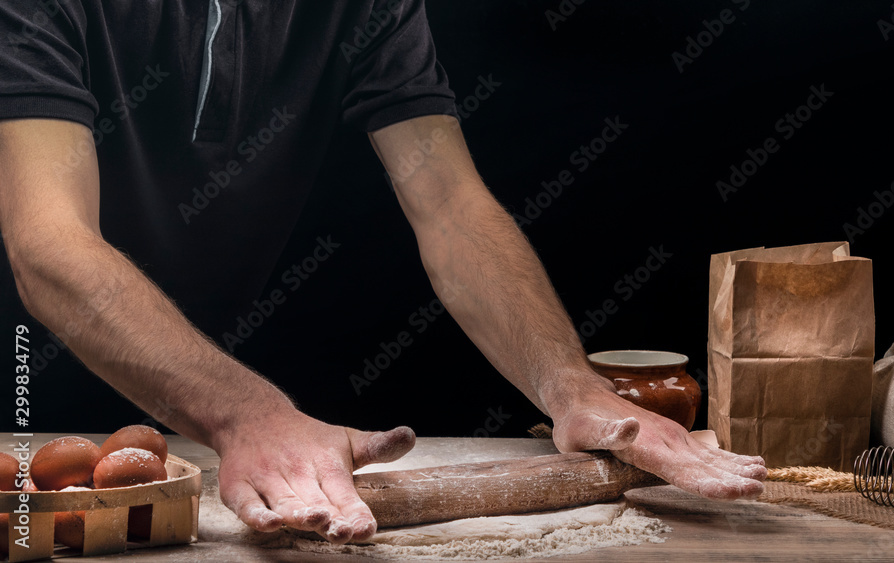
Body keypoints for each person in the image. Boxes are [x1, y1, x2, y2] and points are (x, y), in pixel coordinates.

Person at [0, 0, 765, 544]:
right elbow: (48, 244)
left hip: (204, 415)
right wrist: (246, 413)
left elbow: (450, 203)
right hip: (25, 400)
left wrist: (567, 384)